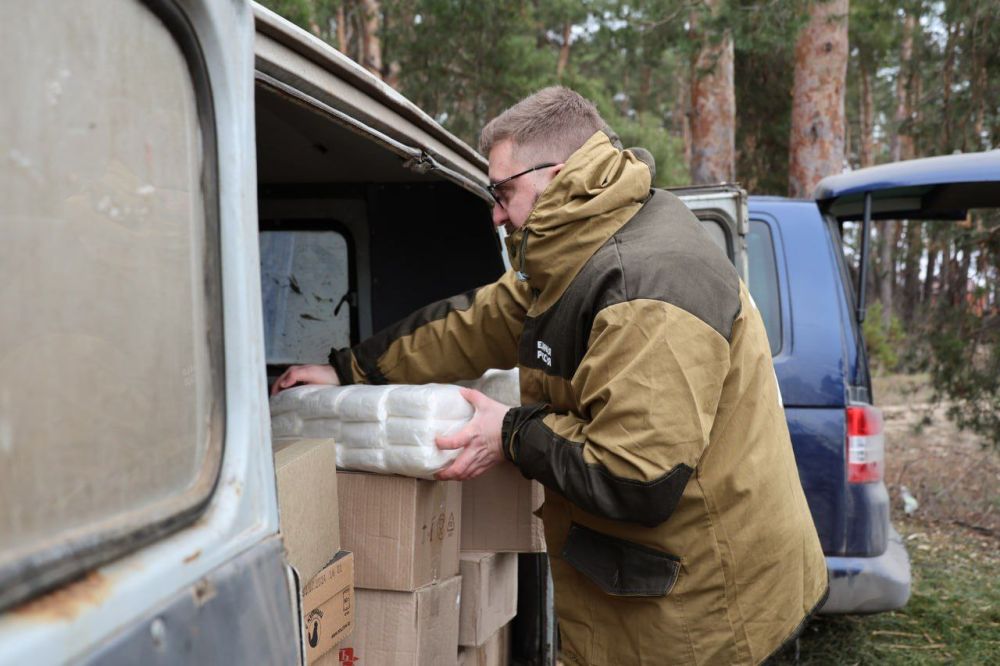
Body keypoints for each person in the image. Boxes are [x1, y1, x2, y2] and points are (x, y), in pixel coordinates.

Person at [272, 86, 828, 665]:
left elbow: (634, 477)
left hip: (703, 612)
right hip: (643, 590)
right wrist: (350, 370)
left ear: (558, 175)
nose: (494, 211)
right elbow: (475, 323)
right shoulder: (573, 249)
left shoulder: (650, 285)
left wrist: (510, 433)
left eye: (502, 192)